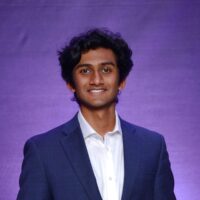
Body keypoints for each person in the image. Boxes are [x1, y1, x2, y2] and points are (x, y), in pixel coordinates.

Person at [17, 28, 176, 200]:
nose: (96, 79)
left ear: (121, 81)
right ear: (71, 84)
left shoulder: (152, 146)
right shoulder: (43, 151)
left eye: (106, 69)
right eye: (85, 71)